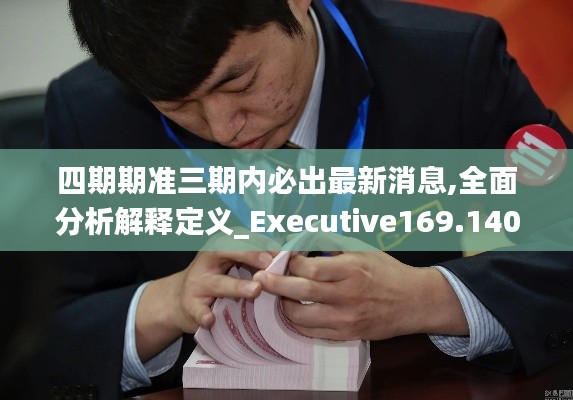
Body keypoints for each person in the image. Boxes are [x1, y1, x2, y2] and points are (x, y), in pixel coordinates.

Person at [34, 0, 573, 398]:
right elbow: (35, 339)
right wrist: (167, 303)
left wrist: (426, 298)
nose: (223, 129)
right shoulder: (90, 114)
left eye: (239, 83)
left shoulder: (448, 64)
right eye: (177, 105)